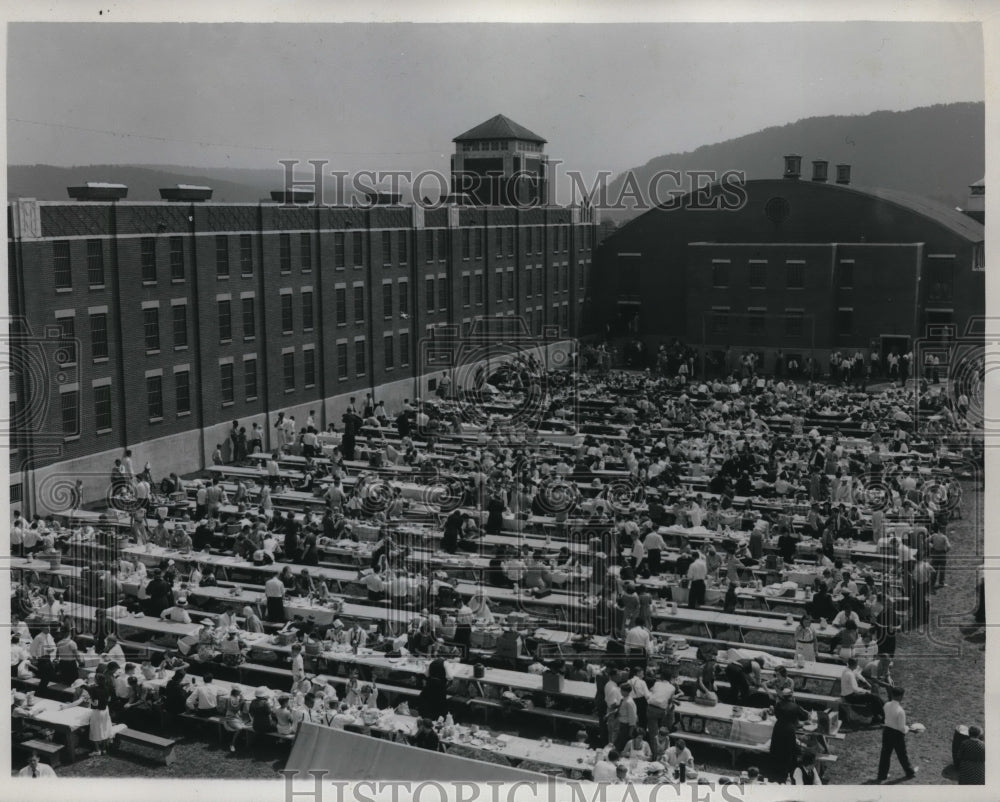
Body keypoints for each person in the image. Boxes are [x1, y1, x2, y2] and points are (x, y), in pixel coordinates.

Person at [876, 686, 918, 782]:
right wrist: (909, 728)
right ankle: (909, 772)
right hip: (897, 735)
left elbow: (886, 718)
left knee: (885, 754)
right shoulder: (900, 711)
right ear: (900, 697)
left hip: (886, 732)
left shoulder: (886, 705)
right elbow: (901, 728)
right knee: (902, 754)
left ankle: (882, 775)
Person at [769, 687, 809, 782]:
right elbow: (804, 716)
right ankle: (787, 769)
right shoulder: (795, 706)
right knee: (788, 749)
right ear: (791, 696)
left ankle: (775, 768)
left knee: (777, 747)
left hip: (778, 728)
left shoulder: (778, 705)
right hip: (789, 729)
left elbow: (776, 715)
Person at [840, 657, 884, 722]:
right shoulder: (850, 674)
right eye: (856, 664)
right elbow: (855, 688)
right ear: (854, 665)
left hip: (849, 694)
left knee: (874, 698)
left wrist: (866, 682)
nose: (857, 666)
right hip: (851, 697)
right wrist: (865, 691)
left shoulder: (847, 669)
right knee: (874, 697)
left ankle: (879, 716)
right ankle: (883, 715)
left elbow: (858, 674)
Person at [220, 687, 248, 752]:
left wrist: (241, 700)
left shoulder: (236, 697)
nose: (240, 693)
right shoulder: (230, 699)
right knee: (240, 728)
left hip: (237, 716)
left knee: (247, 722)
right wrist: (242, 701)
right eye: (239, 692)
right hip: (230, 717)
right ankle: (232, 743)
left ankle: (242, 738)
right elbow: (235, 709)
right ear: (236, 692)